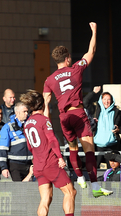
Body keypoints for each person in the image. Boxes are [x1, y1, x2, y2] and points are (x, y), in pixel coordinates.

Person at [43, 22, 112, 197]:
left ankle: (79, 177)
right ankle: (96, 188)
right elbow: (91, 52)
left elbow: (46, 100)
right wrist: (94, 31)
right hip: (78, 113)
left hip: (64, 117)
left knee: (73, 148)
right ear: (67, 59)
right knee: (89, 150)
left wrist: (47, 124)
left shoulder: (49, 80)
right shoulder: (75, 69)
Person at [20, 90, 88, 216]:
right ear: (42, 104)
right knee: (70, 192)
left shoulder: (27, 123)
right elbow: (52, 140)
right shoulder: (44, 121)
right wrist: (59, 157)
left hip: (38, 165)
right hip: (50, 163)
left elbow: (30, 147)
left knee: (46, 198)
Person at [84, 88, 121, 167]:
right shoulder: (96, 109)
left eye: (109, 99)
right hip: (98, 146)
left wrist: (118, 130)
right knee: (95, 167)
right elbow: (85, 103)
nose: (106, 102)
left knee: (112, 168)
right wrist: (93, 92)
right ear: (101, 100)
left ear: (112, 100)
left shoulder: (117, 112)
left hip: (112, 145)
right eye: (104, 99)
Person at [0, 102, 33, 181]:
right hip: (15, 164)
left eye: (27, 111)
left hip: (29, 163)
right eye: (24, 111)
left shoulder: (30, 125)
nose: (26, 113)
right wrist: (4, 167)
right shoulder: (7, 127)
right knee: (18, 189)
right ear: (17, 113)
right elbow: (3, 148)